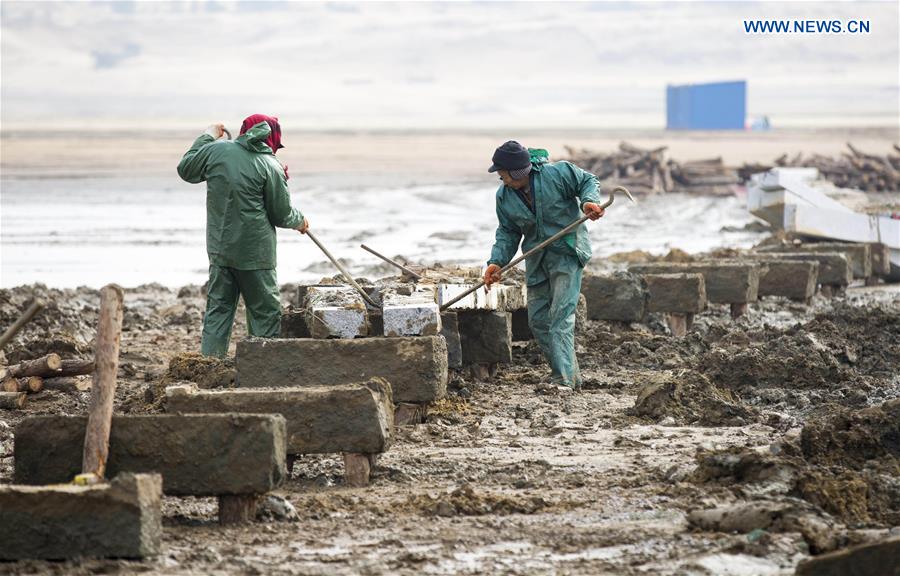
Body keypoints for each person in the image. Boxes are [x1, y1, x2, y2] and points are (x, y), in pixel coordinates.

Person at [177, 114, 308, 357]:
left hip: (220, 250)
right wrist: (300, 221)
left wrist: (206, 136)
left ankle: (210, 363)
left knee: (218, 309)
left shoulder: (216, 151)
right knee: (265, 312)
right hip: (256, 255)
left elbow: (186, 169)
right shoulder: (271, 166)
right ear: (272, 139)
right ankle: (262, 364)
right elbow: (281, 214)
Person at [483, 141, 605, 389]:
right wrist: (496, 262)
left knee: (560, 316)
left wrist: (588, 202)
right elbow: (507, 232)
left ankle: (562, 380)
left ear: (517, 171)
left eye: (503, 173)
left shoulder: (558, 173)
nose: (501, 179)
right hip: (537, 259)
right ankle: (570, 377)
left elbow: (588, 181)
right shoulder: (504, 196)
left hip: (567, 251)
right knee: (538, 320)